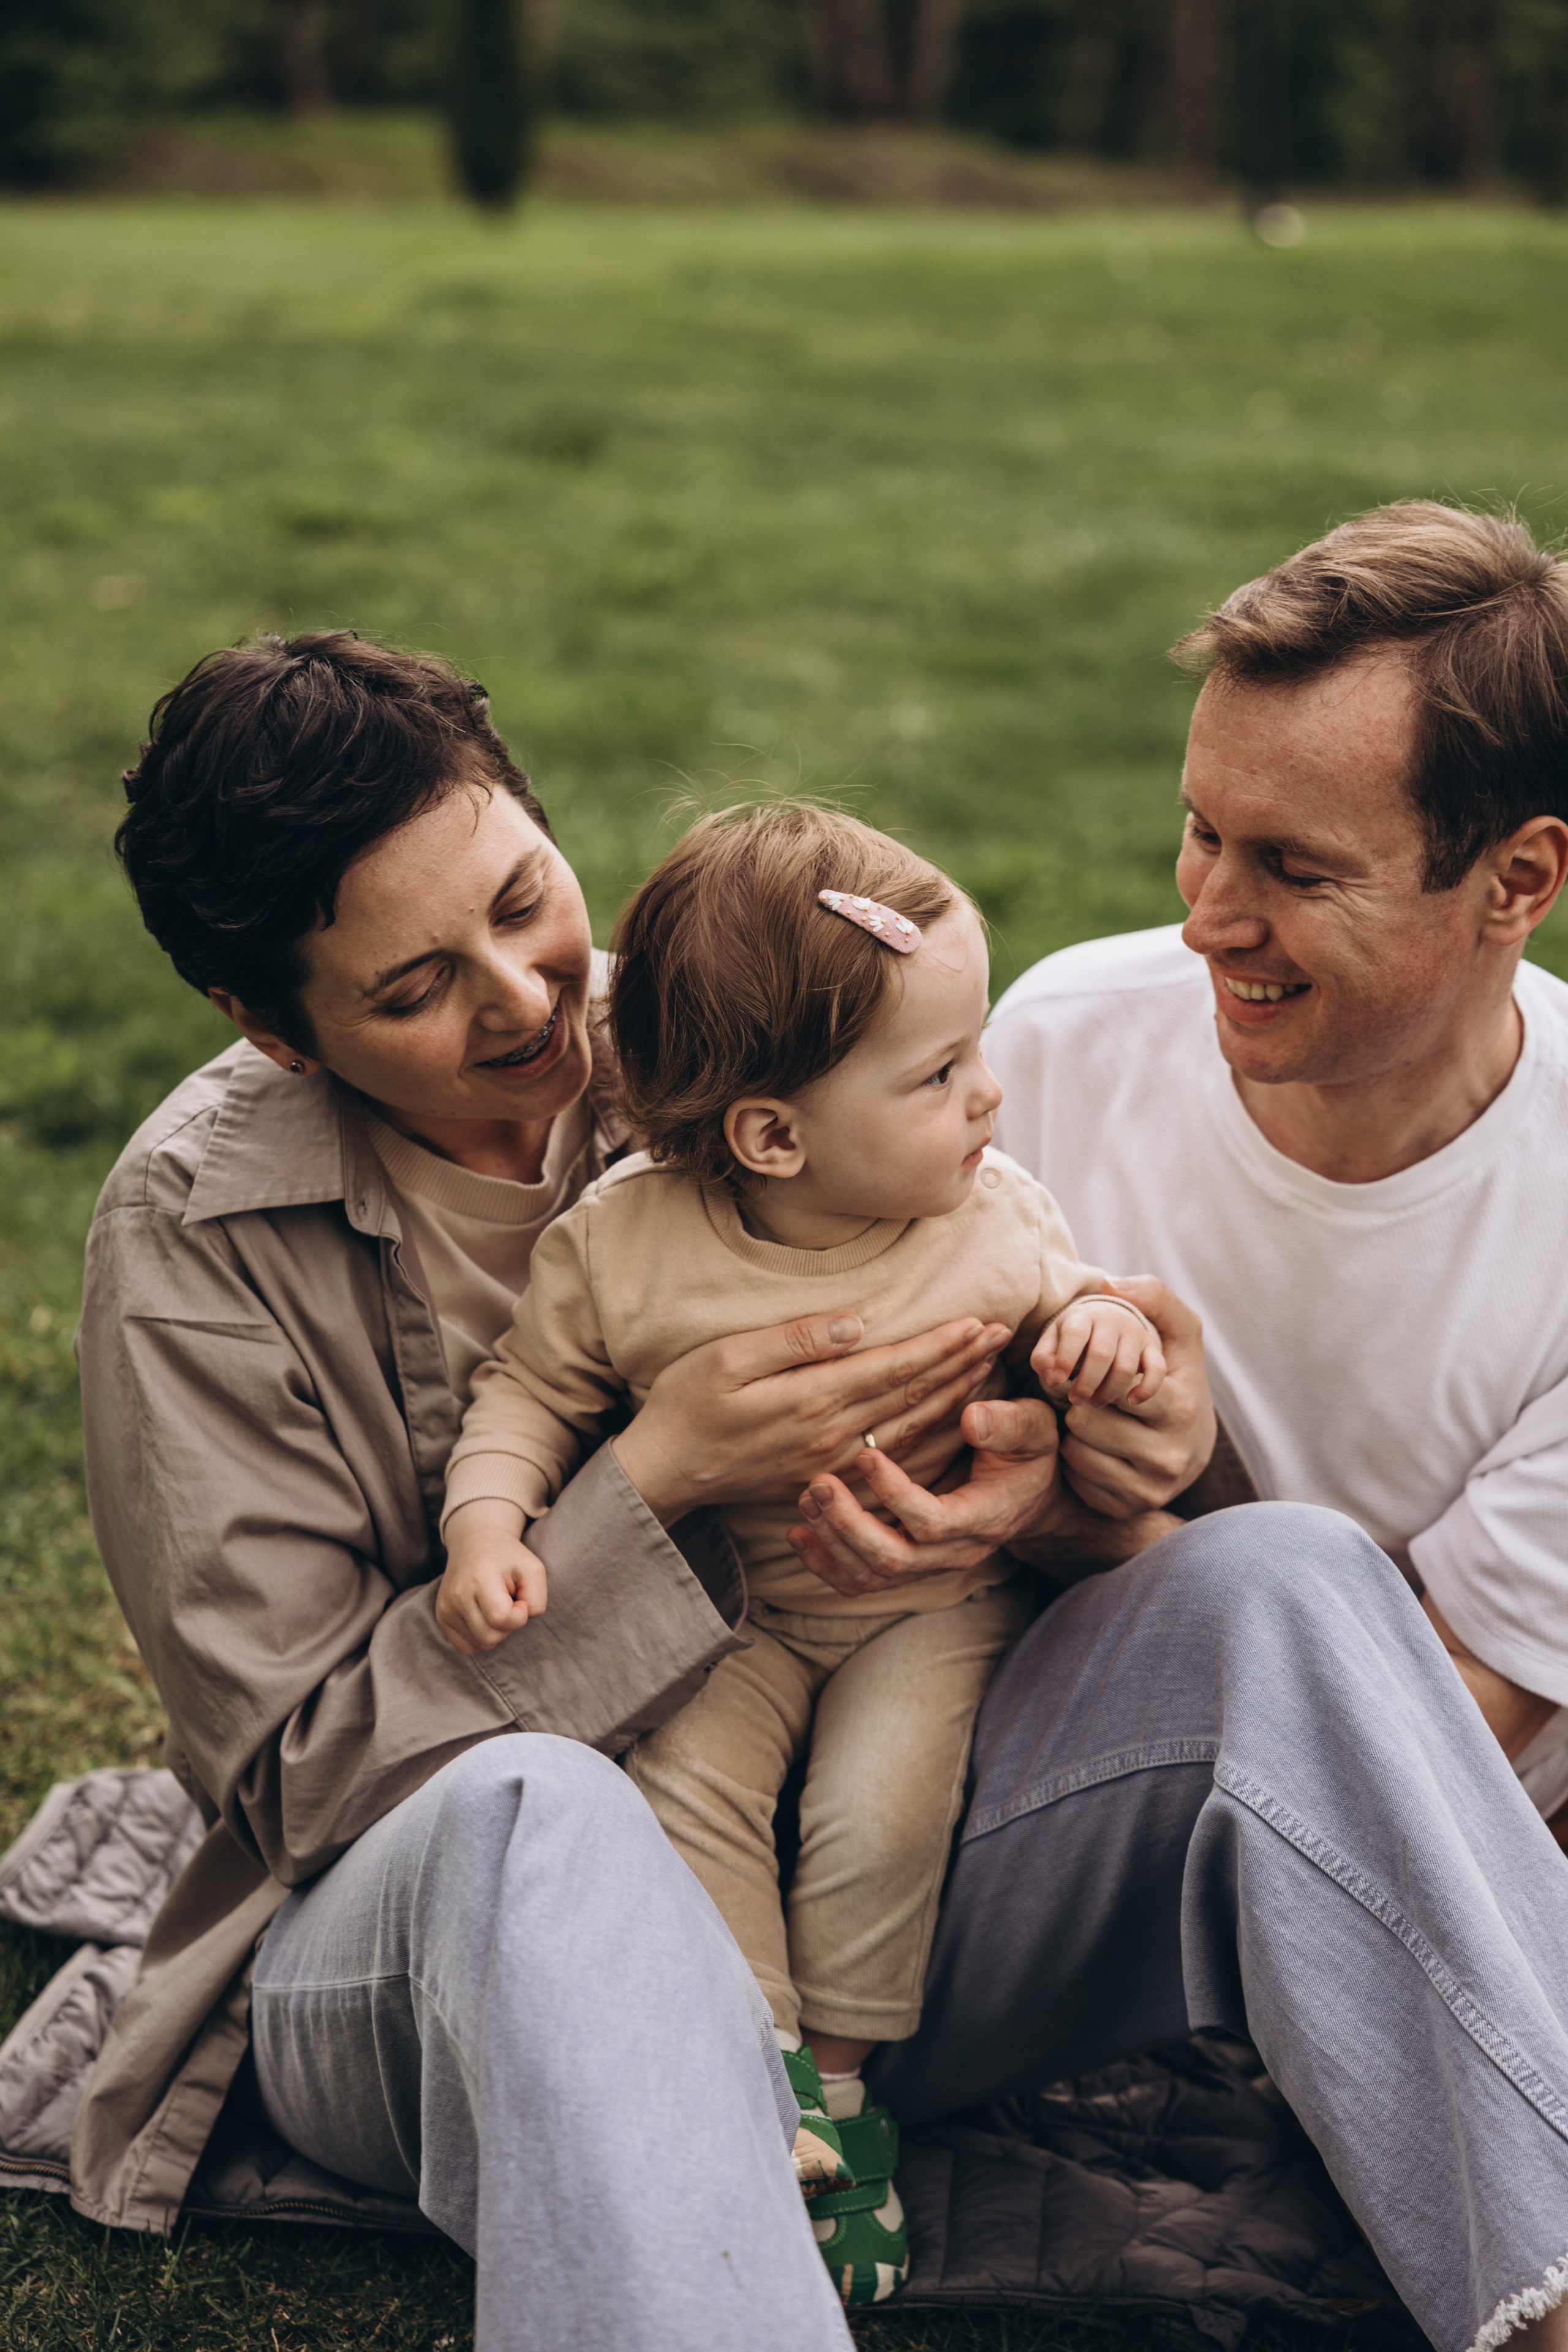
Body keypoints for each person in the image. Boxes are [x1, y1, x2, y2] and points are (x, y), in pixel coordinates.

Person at [74, 630, 1211, 2352]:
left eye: (525, 902)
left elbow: (1036, 1344)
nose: (531, 1001)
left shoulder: (741, 1036)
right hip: (426, 1959)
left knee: (1280, 1584)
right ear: (275, 1030)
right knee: (550, 1811)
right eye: (412, 990)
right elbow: (305, 1791)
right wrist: (660, 1478)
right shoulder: (190, 1242)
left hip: (865, 1876)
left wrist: (1068, 1484)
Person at [848, 502, 1568, 2352]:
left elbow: (1431, 1743)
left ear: (1518, 879)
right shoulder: (1071, 1044)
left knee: (1301, 1589)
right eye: (1200, 827)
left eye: (1297, 870)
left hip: (1454, 1882)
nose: (1205, 915)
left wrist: (1128, 1520)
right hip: (1031, 1824)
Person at [433, 802, 1163, 2305]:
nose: (988, 1095)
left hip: (924, 1602)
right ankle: (754, 2081)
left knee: (876, 1813)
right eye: (938, 1073)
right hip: (733, 1605)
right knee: (686, 1794)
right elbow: (527, 1393)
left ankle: (842, 2094)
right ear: (772, 1136)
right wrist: (487, 1523)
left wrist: (1098, 1336)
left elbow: (1084, 1309)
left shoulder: (993, 1221)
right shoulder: (623, 1248)